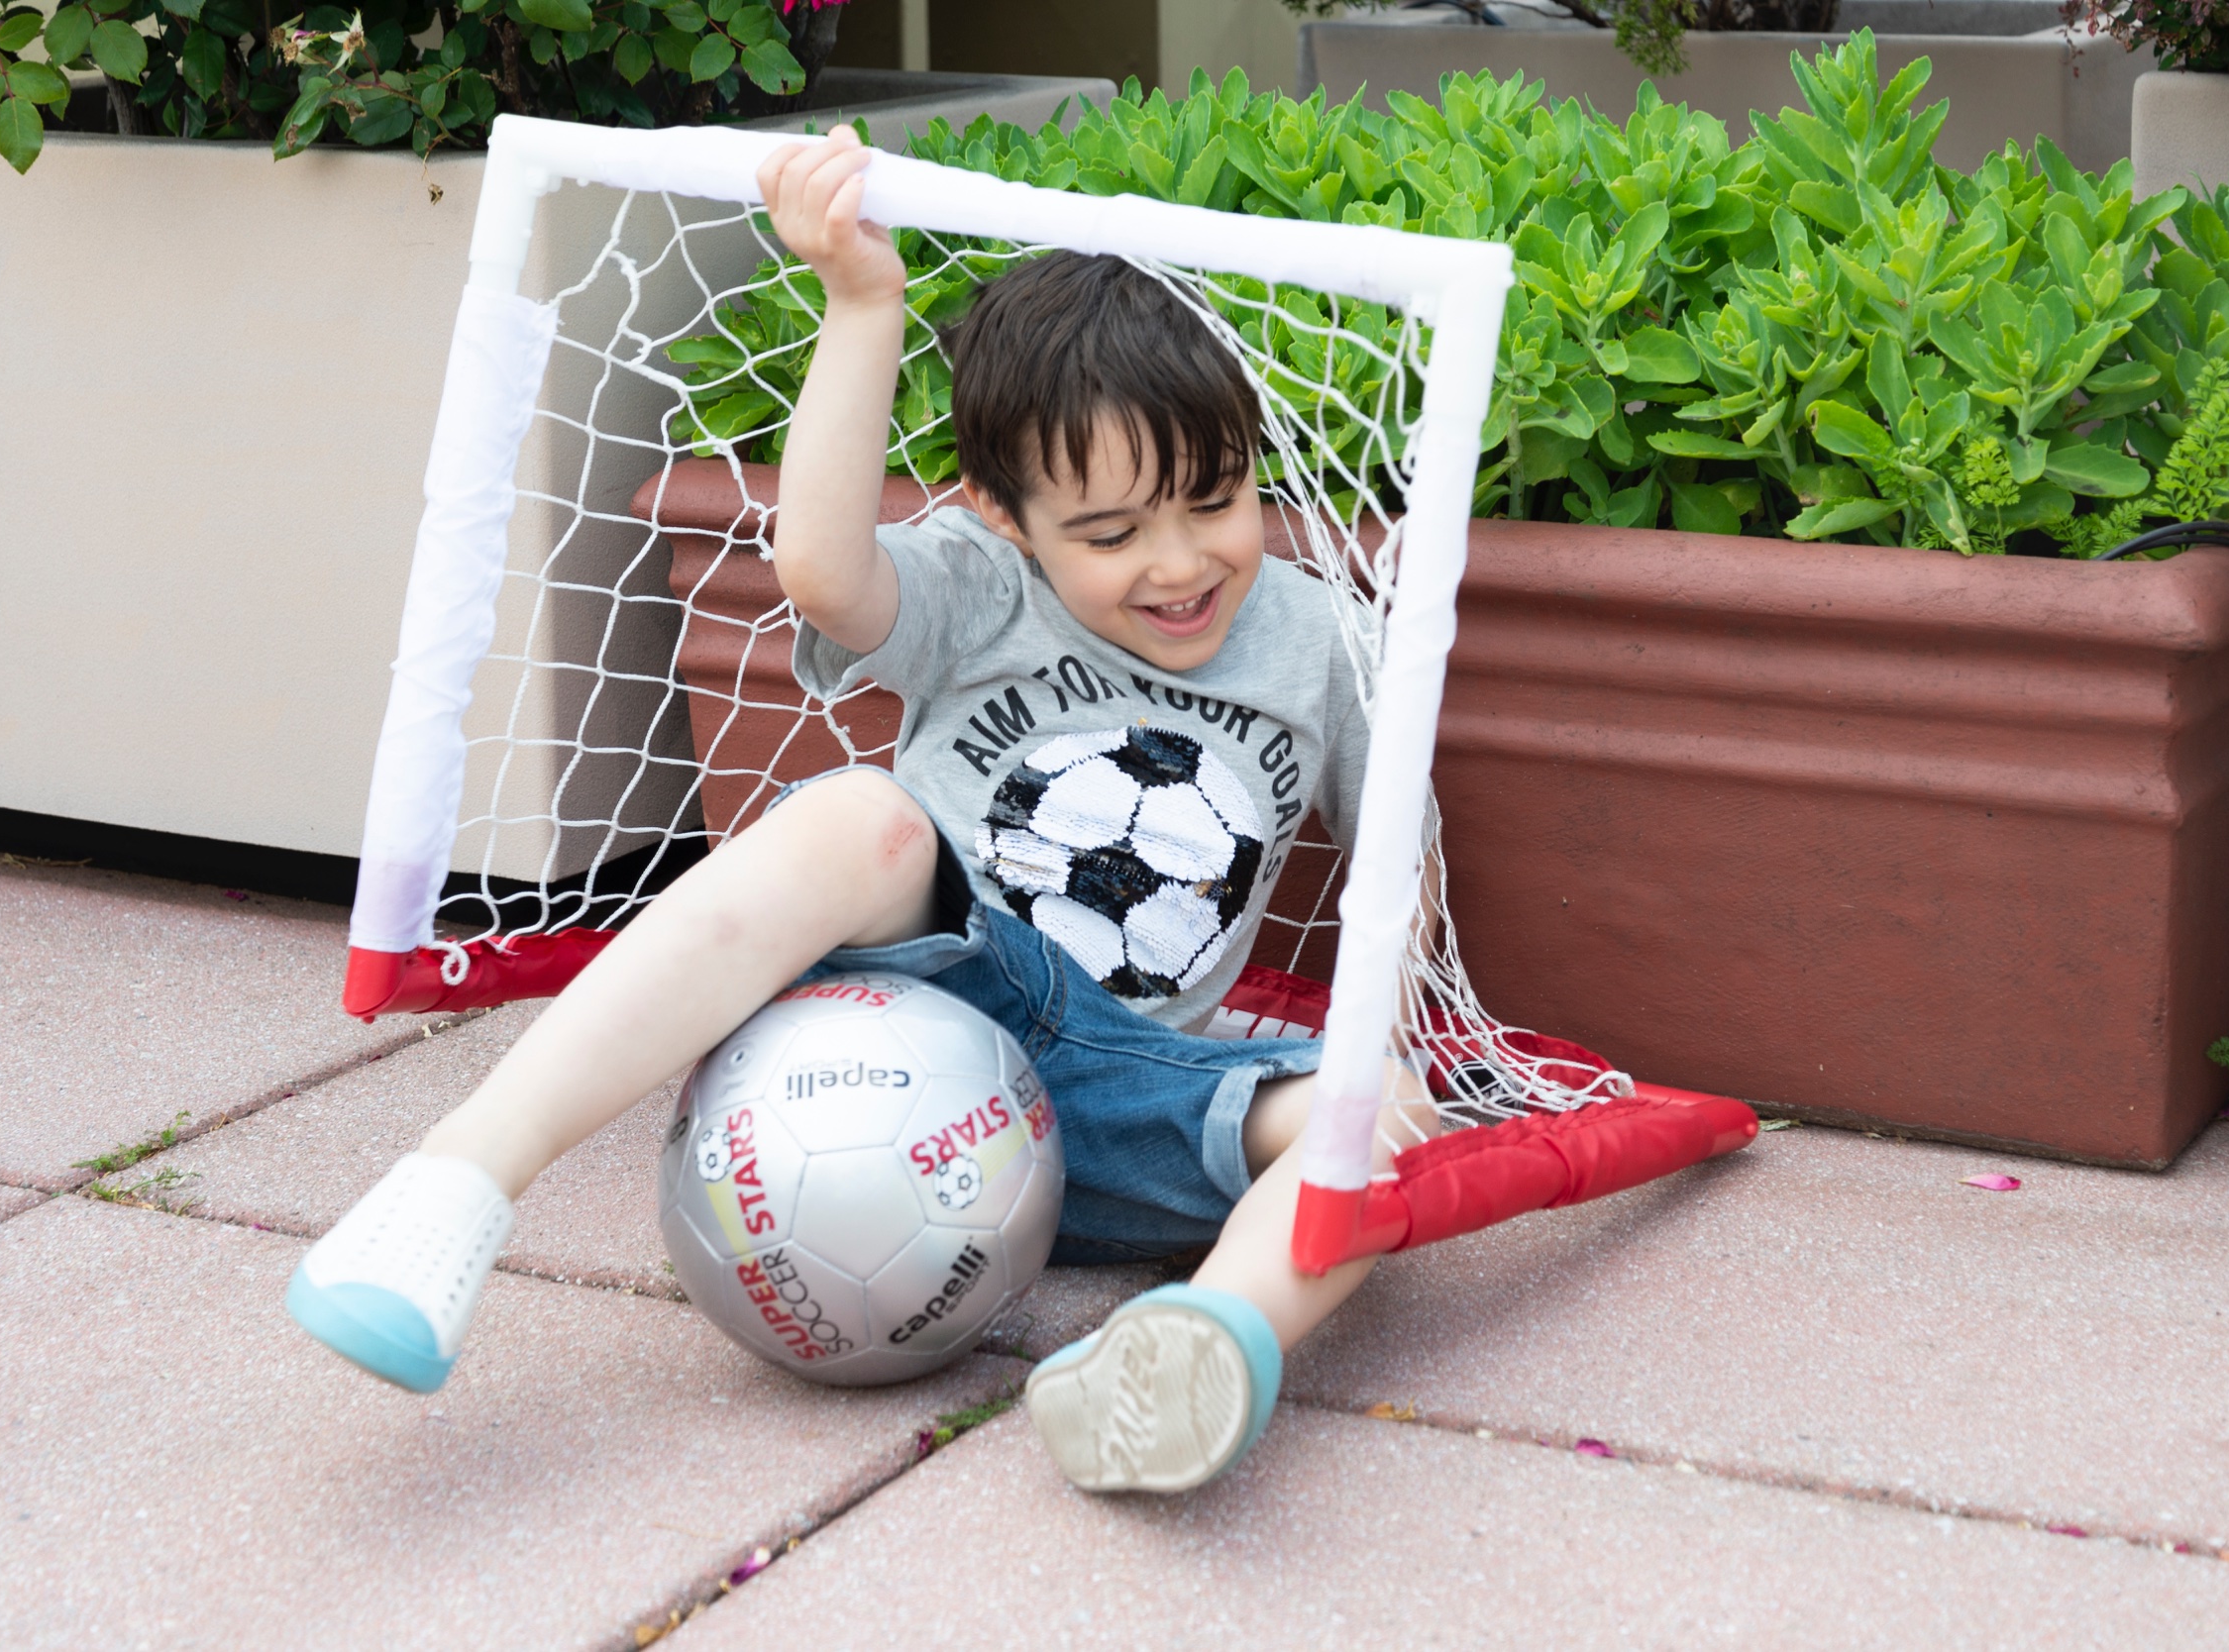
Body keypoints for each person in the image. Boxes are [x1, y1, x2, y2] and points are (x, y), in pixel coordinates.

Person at [286, 127, 1429, 1494]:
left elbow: (1396, 877)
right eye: (1113, 535)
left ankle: (1204, 1344)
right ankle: (457, 1178)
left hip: (1121, 1088)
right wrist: (859, 301)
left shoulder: (1322, 643)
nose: (1181, 563)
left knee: (1376, 1113)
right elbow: (825, 573)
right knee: (861, 821)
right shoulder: (974, 585)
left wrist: (1384, 1044)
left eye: (1217, 502)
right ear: (1001, 515)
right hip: (923, 1004)